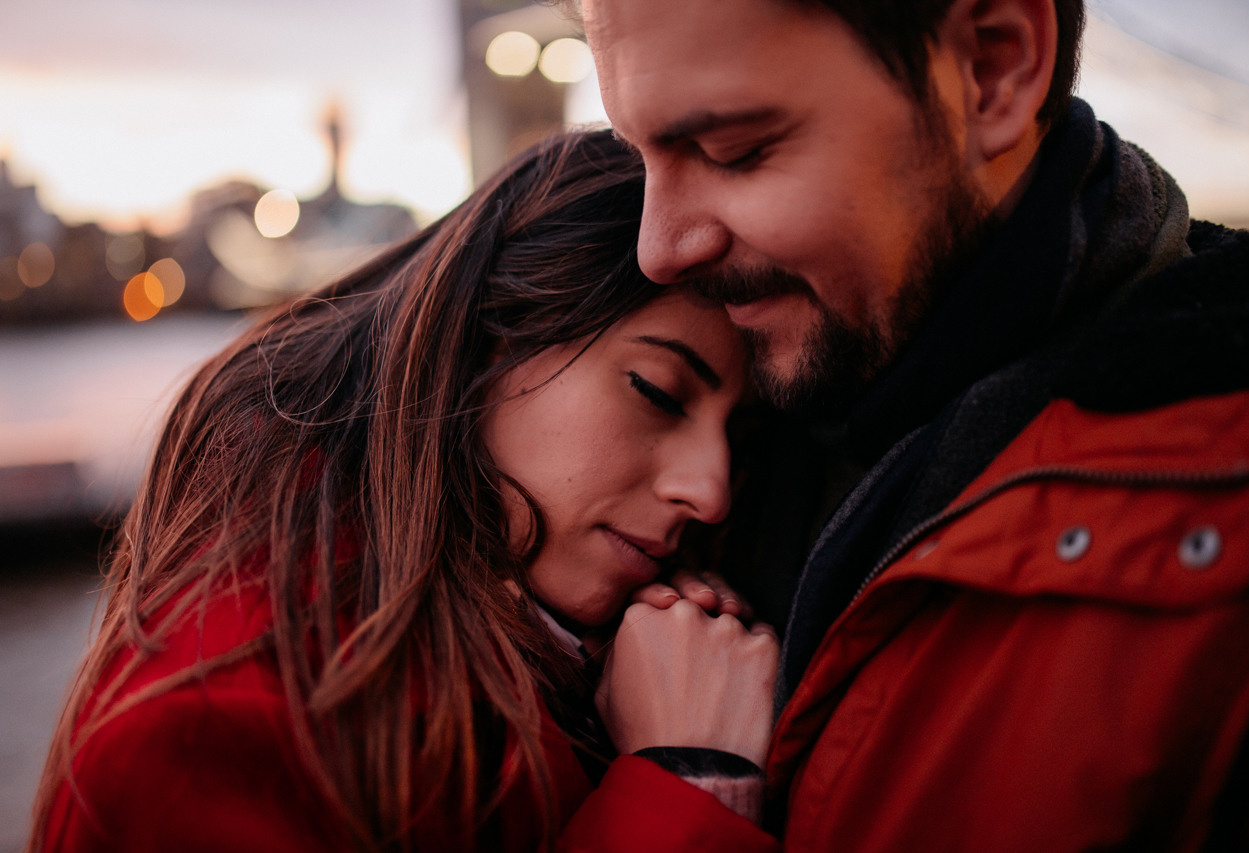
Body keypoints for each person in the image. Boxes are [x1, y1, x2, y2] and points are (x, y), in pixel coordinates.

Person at [554, 0, 1249, 850]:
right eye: (638, 155)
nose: (660, 246)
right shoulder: (739, 427)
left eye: (732, 151)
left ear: (991, 68)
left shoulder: (1245, 532)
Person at [27, 130, 778, 853]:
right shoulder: (217, 733)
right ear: (486, 339)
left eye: (738, 440)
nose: (710, 491)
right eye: (657, 391)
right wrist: (686, 788)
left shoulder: (515, 644)